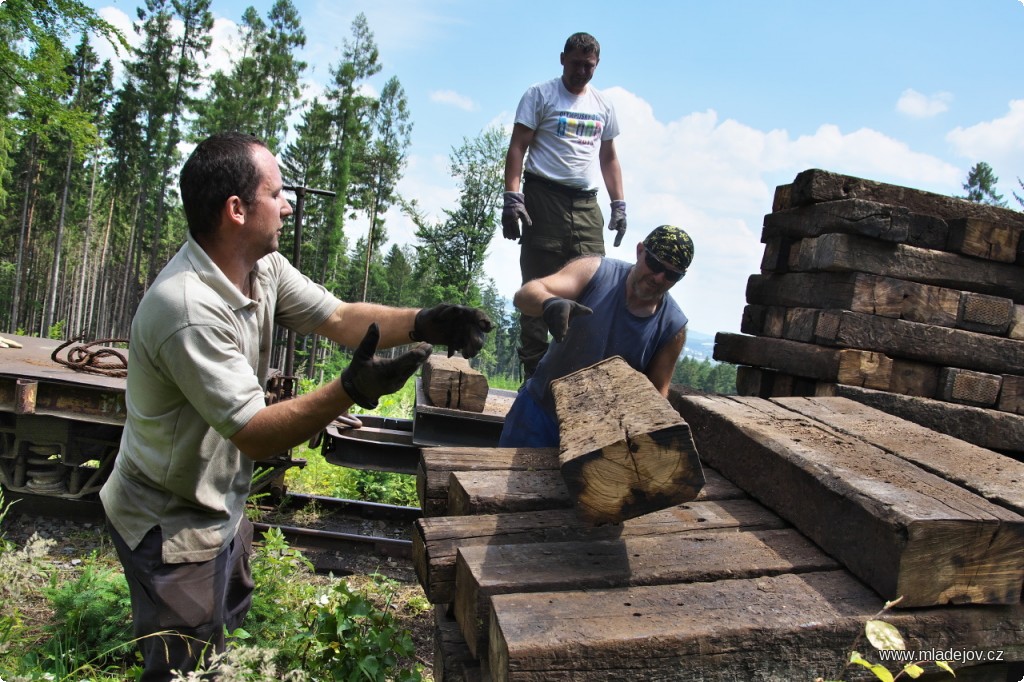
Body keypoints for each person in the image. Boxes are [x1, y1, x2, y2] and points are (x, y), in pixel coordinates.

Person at [99, 131, 492, 681]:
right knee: (182, 664)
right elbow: (256, 434)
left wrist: (425, 321)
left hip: (218, 504)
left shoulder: (262, 268)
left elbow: (338, 318)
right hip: (170, 519)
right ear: (237, 210)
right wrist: (349, 391)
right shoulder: (186, 308)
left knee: (222, 634)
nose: (287, 206)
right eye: (277, 193)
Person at [498, 225, 693, 448]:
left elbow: (657, 394)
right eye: (655, 264)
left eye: (671, 274)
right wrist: (549, 303)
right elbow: (524, 297)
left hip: (596, 441)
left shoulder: (672, 327)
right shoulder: (596, 272)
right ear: (640, 251)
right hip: (537, 414)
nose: (659, 278)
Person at [501, 31, 626, 379]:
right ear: (562, 60)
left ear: (597, 65)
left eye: (588, 66)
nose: (581, 72)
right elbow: (517, 147)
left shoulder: (603, 105)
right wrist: (513, 198)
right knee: (538, 288)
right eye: (575, 64)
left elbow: (609, 157)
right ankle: (534, 379)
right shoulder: (540, 95)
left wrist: (619, 204)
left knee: (595, 290)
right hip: (544, 198)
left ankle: (576, 378)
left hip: (586, 205)